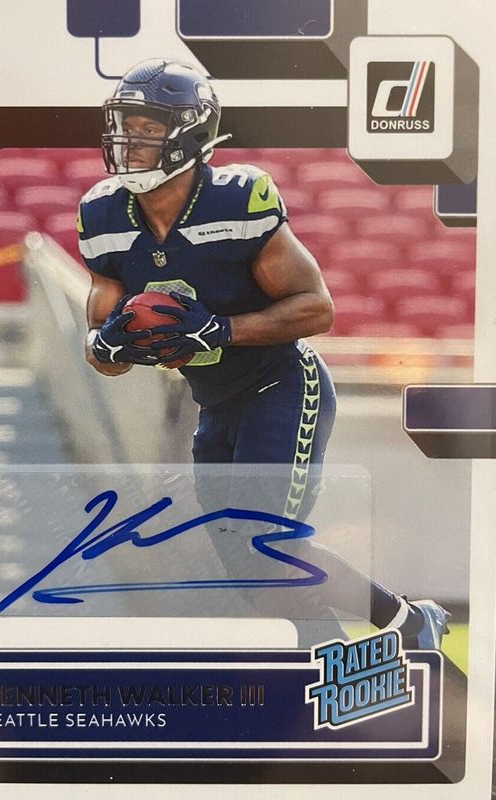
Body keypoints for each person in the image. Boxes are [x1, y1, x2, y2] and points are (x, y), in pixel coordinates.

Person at [77, 58, 450, 649]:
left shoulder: (236, 199)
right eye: (127, 125)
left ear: (189, 135)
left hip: (282, 386)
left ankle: (388, 635)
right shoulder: (102, 214)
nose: (131, 141)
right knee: (249, 567)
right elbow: (103, 347)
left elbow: (317, 309)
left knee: (267, 545)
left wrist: (219, 330)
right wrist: (107, 343)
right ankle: (368, 647)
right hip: (215, 404)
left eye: (149, 128)